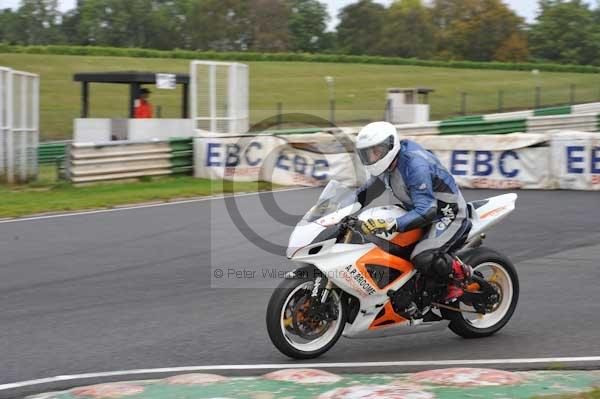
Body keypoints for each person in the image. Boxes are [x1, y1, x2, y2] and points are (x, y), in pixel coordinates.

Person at [354, 121, 471, 302]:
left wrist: (393, 224)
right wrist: (336, 209)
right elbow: (365, 193)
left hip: (446, 213)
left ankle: (459, 274)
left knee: (422, 257)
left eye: (375, 151)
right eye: (367, 154)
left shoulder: (415, 166)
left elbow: (427, 211)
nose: (372, 157)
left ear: (389, 147)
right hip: (417, 209)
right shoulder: (386, 166)